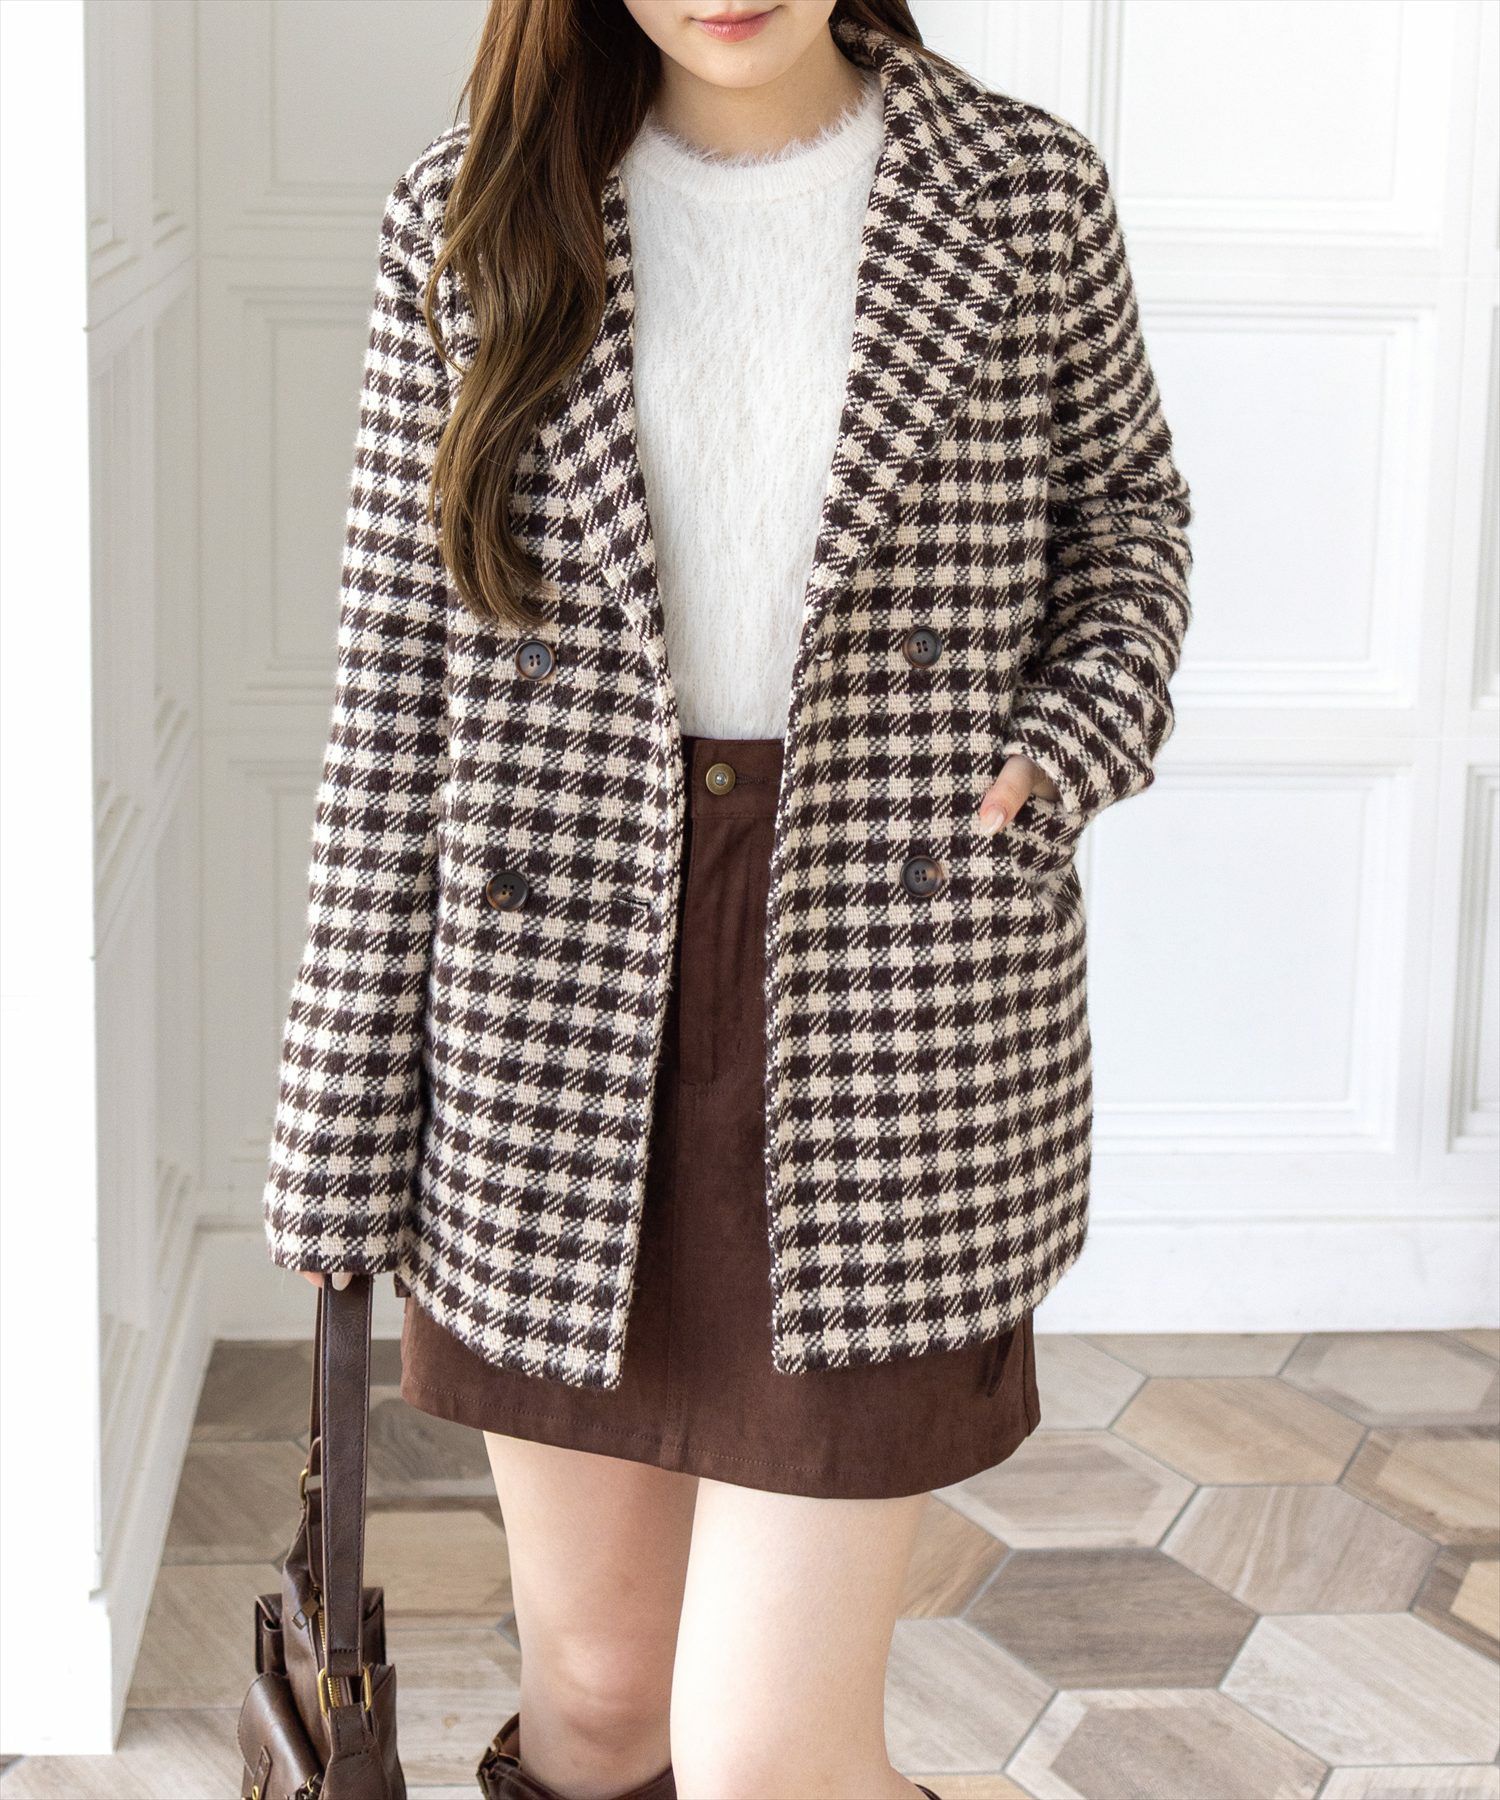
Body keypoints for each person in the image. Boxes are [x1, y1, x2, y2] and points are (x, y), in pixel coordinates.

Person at [261, 2, 1192, 1796]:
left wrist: (1065, 743)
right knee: (601, 1706)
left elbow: (1130, 530)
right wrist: (336, 1125)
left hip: (891, 988)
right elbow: (394, 680)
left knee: (766, 1752)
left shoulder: (1022, 193)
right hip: (548, 1015)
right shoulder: (471, 213)